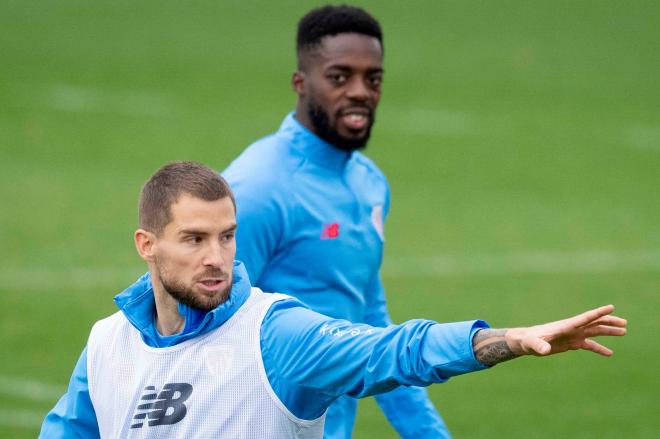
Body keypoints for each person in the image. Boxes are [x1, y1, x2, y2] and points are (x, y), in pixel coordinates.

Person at [39, 161, 626, 438]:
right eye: (193, 239)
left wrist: (502, 341)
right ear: (147, 244)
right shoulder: (105, 346)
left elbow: (392, 351)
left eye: (227, 235)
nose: (216, 256)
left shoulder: (275, 335)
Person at [220, 4, 441, 437]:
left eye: (372, 78)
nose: (360, 91)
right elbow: (203, 326)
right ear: (300, 84)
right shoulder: (258, 188)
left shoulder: (369, 184)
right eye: (339, 77)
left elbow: (373, 326)